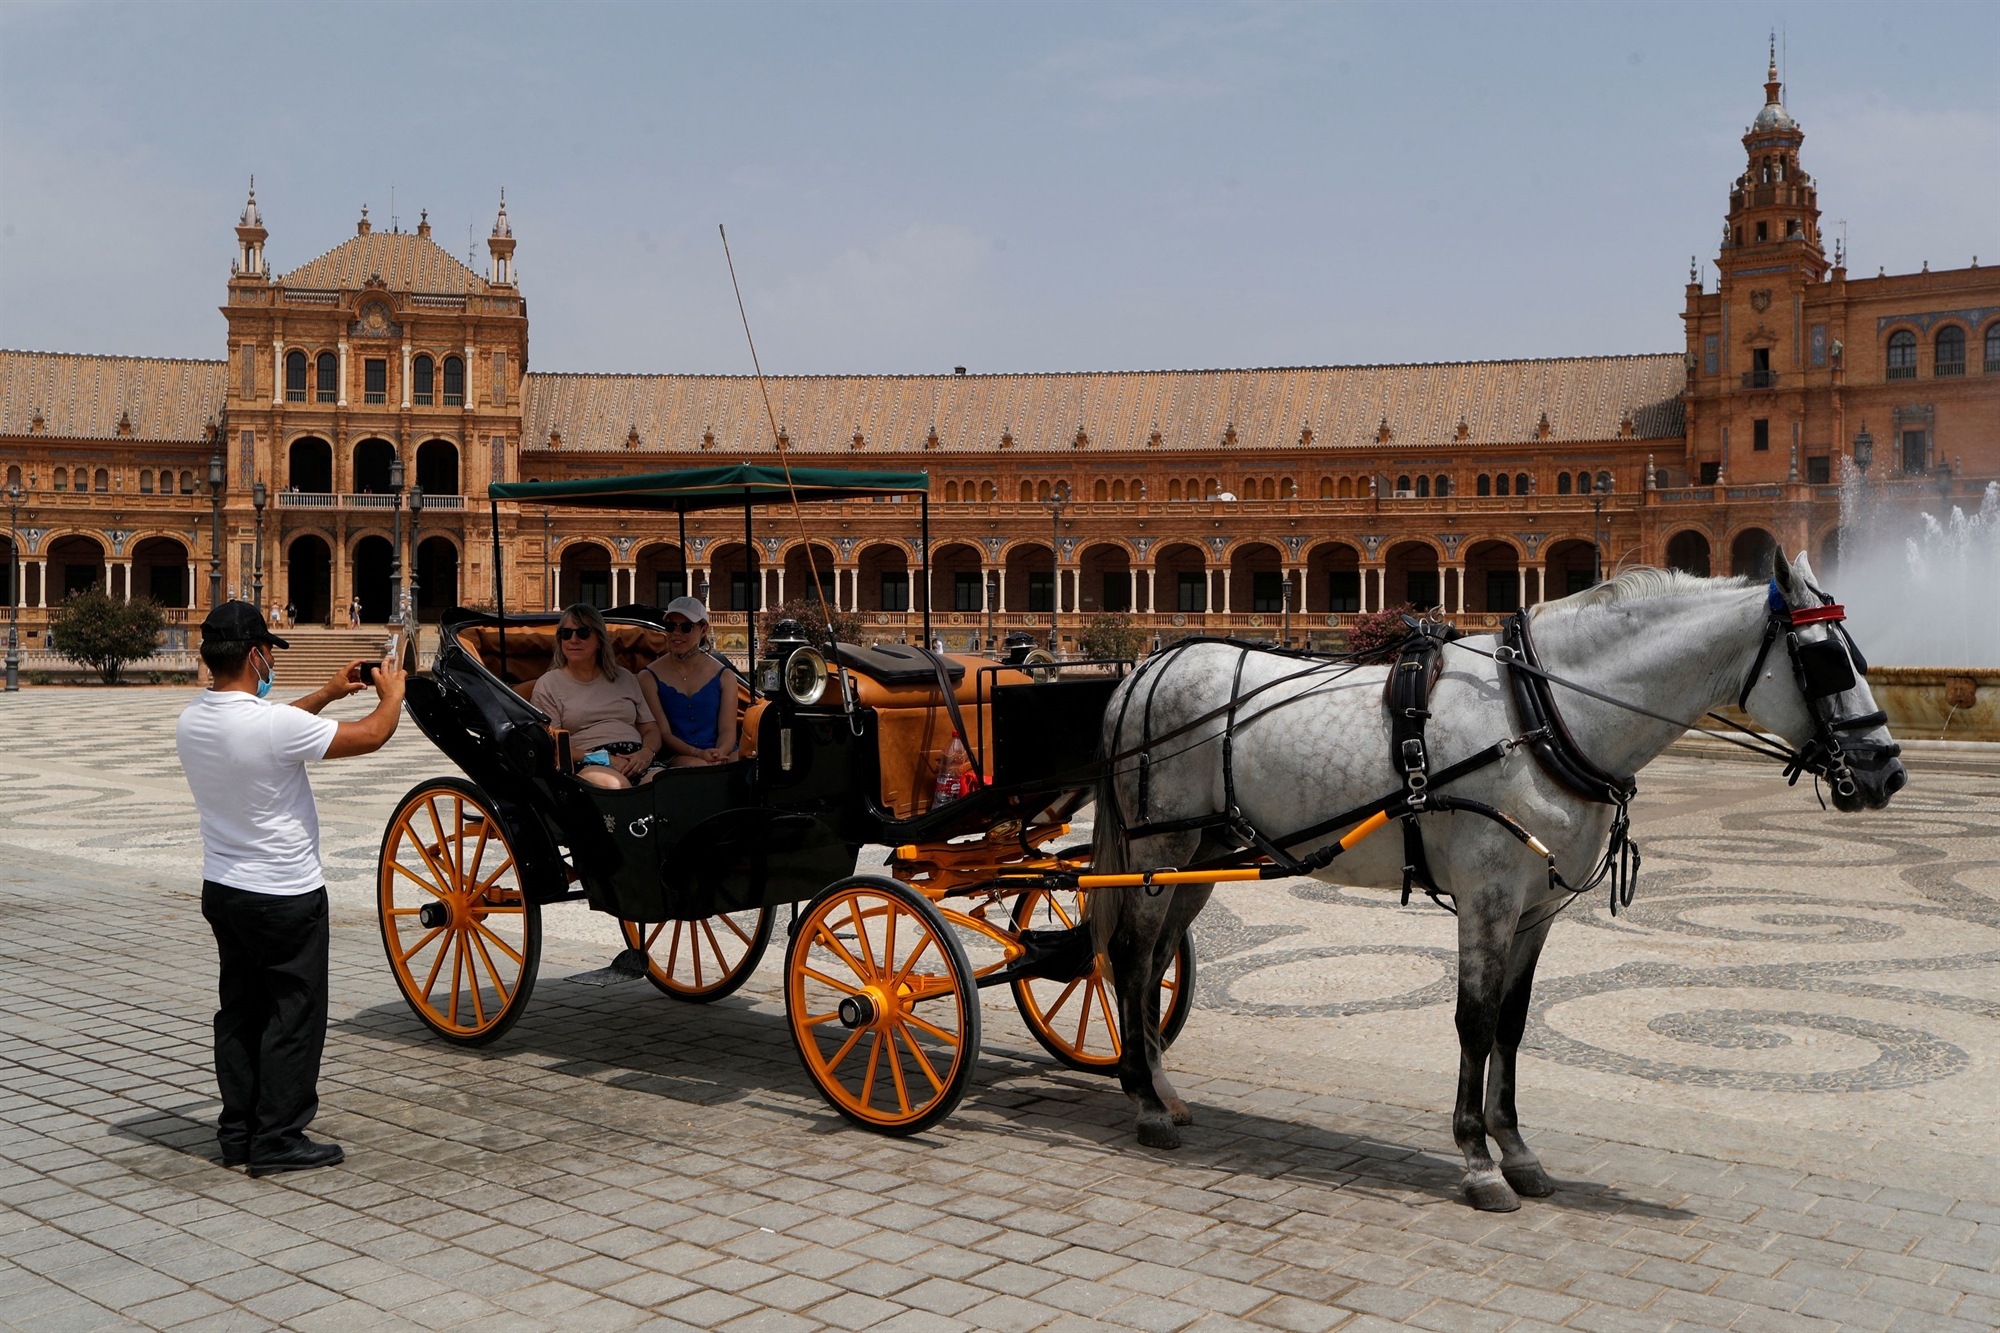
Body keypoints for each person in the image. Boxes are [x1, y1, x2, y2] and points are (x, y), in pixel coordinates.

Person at [176, 601, 406, 1178]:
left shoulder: (194, 720)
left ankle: (238, 1133)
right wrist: (393, 691)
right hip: (284, 894)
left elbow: (276, 731)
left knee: (240, 1012)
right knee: (292, 1014)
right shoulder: (270, 726)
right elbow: (373, 736)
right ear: (256, 655)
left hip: (224, 889)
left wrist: (326, 693)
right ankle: (278, 1136)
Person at [530, 603, 664, 788]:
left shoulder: (625, 677)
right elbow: (554, 746)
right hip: (588, 760)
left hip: (635, 758)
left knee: (666, 786)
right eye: (566, 633)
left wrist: (646, 754)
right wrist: (603, 758)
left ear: (599, 640)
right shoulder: (549, 684)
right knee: (618, 786)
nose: (573, 640)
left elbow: (650, 729)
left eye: (583, 633)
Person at [641, 597, 739, 767]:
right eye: (671, 627)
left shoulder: (725, 676)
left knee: (737, 763)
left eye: (686, 627)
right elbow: (663, 733)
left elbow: (728, 729)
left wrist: (720, 753)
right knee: (696, 768)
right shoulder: (648, 677)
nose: (676, 633)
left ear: (703, 630)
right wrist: (698, 753)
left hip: (719, 751)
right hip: (676, 754)